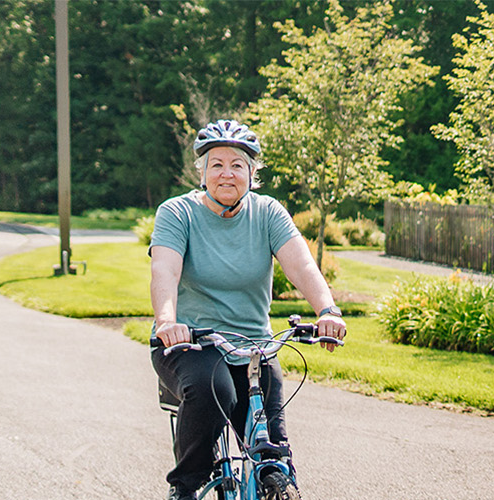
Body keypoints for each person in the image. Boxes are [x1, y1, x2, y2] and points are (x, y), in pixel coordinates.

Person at [149, 120, 347, 500]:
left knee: (273, 451)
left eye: (238, 165)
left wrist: (328, 310)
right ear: (202, 171)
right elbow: (165, 270)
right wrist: (167, 321)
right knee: (213, 391)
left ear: (252, 174)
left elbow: (302, 265)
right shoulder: (177, 213)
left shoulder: (268, 212)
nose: (227, 173)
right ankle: (185, 489)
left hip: (255, 347)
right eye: (217, 164)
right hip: (191, 343)